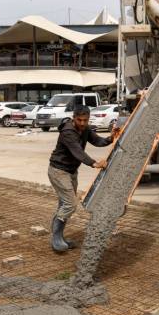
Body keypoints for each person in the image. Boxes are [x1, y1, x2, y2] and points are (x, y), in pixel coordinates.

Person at [47, 106, 111, 253]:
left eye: (85, 120)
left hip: (70, 172)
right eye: (79, 120)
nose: (82, 123)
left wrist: (111, 138)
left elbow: (98, 141)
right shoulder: (68, 132)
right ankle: (56, 238)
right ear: (74, 118)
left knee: (64, 204)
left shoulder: (85, 129)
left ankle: (60, 237)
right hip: (58, 171)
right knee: (70, 204)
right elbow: (78, 151)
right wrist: (94, 163)